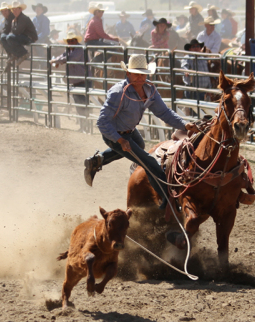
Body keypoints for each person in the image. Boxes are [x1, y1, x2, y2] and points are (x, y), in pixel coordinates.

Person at [83, 54, 198, 208]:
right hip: (114, 134)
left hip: (129, 132)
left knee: (139, 145)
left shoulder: (149, 90)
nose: (139, 77)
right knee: (149, 162)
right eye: (136, 74)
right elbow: (102, 122)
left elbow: (164, 112)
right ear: (128, 74)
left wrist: (184, 125)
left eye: (142, 74)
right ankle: (167, 203)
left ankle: (98, 160)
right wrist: (120, 140)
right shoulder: (118, 93)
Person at [50, 30, 91, 132]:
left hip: (83, 81)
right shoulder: (70, 50)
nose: (71, 43)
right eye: (69, 41)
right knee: (79, 105)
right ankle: (83, 127)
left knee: (83, 104)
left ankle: (85, 127)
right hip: (77, 81)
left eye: (72, 41)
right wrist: (58, 60)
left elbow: (70, 58)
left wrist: (56, 61)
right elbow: (63, 56)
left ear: (76, 41)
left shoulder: (79, 50)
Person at [0, 1, 38, 69]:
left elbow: (17, 31)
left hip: (30, 37)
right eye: (13, 10)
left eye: (16, 9)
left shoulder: (23, 18)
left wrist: (13, 24)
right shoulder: (17, 18)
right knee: (3, 37)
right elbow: (14, 31)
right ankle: (13, 54)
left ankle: (23, 53)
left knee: (9, 37)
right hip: (23, 37)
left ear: (20, 9)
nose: (15, 11)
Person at [181, 39, 211, 114]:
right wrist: (186, 71)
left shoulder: (203, 58)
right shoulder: (188, 57)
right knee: (195, 111)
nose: (196, 48)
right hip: (192, 90)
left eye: (198, 46)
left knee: (201, 110)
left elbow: (207, 74)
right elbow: (184, 66)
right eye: (194, 46)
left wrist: (209, 88)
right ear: (190, 49)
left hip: (203, 90)